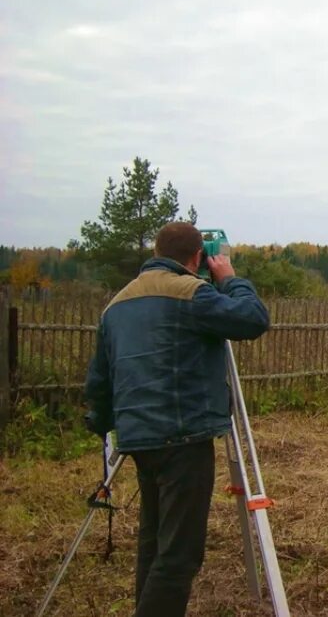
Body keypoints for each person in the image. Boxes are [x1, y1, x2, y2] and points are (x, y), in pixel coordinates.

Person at [84, 222, 269, 617]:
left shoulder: (116, 305)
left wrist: (102, 422)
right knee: (180, 555)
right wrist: (231, 279)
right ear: (197, 257)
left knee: (154, 545)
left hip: (138, 439)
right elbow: (253, 319)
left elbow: (99, 380)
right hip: (183, 439)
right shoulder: (192, 294)